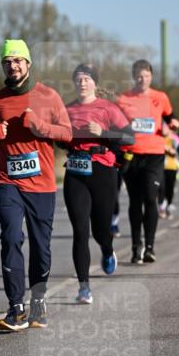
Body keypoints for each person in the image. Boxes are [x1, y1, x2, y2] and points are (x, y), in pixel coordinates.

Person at [0, 39, 72, 331]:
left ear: (28, 64)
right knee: (10, 237)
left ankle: (38, 301)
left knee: (41, 247)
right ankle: (16, 307)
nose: (13, 66)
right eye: (8, 61)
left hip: (41, 184)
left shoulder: (48, 96)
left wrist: (41, 127)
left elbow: (67, 134)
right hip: (7, 181)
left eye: (18, 60)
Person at [61, 65, 134, 305]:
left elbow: (130, 137)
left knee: (101, 230)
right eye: (78, 79)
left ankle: (107, 249)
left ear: (95, 83)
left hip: (103, 170)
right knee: (80, 230)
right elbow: (60, 141)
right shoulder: (67, 109)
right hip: (75, 170)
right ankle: (84, 287)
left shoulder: (108, 108)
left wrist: (103, 132)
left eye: (86, 79)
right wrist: (63, 136)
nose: (82, 83)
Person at [117, 60, 179, 264]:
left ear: (151, 76)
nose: (142, 79)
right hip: (131, 155)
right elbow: (115, 123)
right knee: (135, 201)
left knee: (151, 198)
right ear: (133, 77)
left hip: (154, 154)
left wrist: (173, 124)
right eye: (139, 76)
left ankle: (149, 248)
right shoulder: (124, 98)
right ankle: (136, 246)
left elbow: (170, 118)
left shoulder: (160, 97)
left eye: (146, 76)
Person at [158, 126, 179, 220]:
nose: (164, 130)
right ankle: (161, 209)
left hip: (171, 167)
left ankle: (168, 206)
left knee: (170, 189)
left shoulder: (174, 139)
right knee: (161, 188)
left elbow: (175, 152)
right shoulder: (158, 139)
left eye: (166, 128)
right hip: (160, 167)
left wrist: (166, 148)